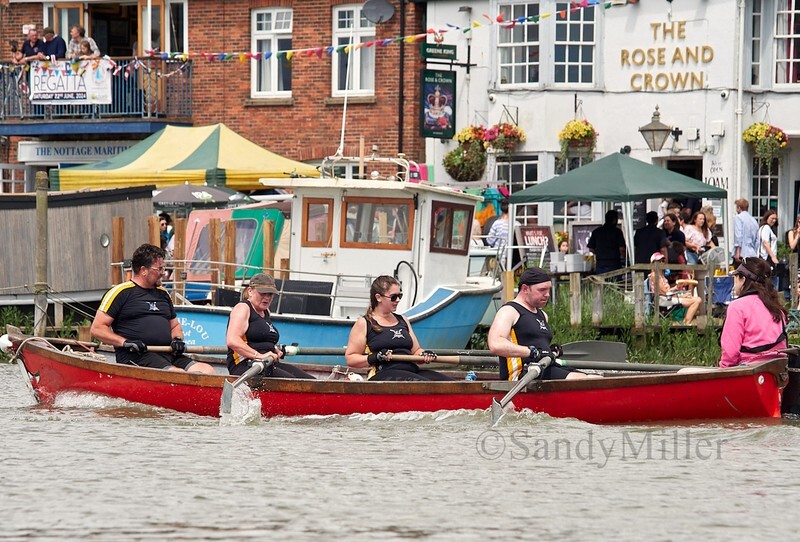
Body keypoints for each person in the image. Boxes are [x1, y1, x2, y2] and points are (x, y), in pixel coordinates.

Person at [90, 243, 215, 374]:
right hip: (137, 356)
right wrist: (125, 342)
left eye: (163, 268)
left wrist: (177, 339)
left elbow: (175, 326)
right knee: (178, 374)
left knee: (207, 370)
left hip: (168, 354)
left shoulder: (163, 294)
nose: (163, 273)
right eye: (159, 269)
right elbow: (97, 329)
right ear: (144, 270)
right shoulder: (120, 293)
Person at [488, 267, 597, 381]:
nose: (547, 294)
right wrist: (532, 352)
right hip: (523, 375)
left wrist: (548, 350)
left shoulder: (543, 315)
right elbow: (496, 344)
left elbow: (537, 345)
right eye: (542, 290)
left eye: (548, 290)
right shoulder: (509, 311)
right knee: (585, 380)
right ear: (525, 289)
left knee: (595, 378)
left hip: (544, 368)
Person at [345, 275, 451, 381]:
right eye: (393, 297)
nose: (398, 300)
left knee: (450, 384)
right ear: (378, 297)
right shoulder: (364, 323)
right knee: (423, 384)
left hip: (411, 371)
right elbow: (351, 358)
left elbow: (416, 351)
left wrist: (424, 355)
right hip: (383, 373)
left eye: (400, 295)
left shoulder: (403, 320)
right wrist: (376, 357)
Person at [225, 273, 314, 378]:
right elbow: (232, 340)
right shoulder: (242, 308)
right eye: (263, 293)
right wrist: (259, 356)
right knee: (292, 382)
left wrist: (273, 349)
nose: (267, 298)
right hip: (246, 365)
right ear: (250, 291)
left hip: (267, 363)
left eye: (270, 294)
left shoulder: (266, 312)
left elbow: (261, 340)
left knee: (312, 382)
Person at [720, 258, 787, 367]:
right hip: (778, 369)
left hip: (749, 371)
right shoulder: (776, 306)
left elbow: (730, 354)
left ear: (743, 279)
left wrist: (723, 370)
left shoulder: (737, 306)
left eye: (736, 278)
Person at [648, 252, 702, 324]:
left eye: (663, 261)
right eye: (659, 261)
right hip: (662, 299)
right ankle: (686, 323)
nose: (662, 263)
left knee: (697, 299)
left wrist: (677, 287)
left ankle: (685, 322)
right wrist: (681, 296)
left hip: (668, 297)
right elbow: (665, 292)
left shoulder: (662, 275)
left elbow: (667, 291)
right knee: (695, 301)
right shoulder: (655, 275)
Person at [587, 209, 626, 274]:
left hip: (600, 263)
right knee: (614, 280)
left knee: (600, 280)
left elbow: (591, 249)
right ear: (614, 220)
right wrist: (627, 258)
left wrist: (599, 253)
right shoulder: (617, 232)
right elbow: (622, 249)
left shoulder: (596, 231)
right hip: (614, 263)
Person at [733, 198, 760, 265]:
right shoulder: (754, 220)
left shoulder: (738, 217)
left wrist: (737, 252)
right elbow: (757, 240)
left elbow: (738, 235)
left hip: (742, 253)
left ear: (739, 208)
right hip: (752, 253)